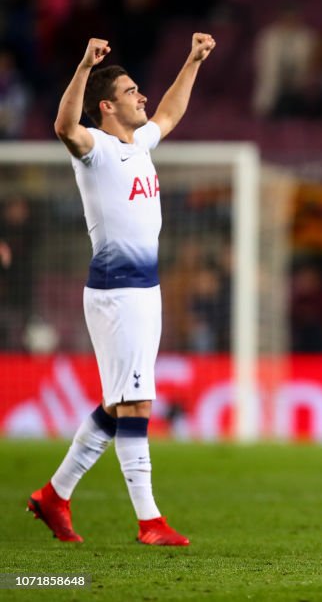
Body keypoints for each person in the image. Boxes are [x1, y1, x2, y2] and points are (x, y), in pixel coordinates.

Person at [28, 33, 216, 546]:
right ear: (107, 107)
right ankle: (149, 521)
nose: (144, 98)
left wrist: (192, 60)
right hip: (117, 291)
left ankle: (54, 495)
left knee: (120, 403)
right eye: (133, 92)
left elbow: (171, 114)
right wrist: (85, 65)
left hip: (144, 289)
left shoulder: (138, 144)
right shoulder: (96, 149)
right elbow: (64, 125)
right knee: (136, 403)